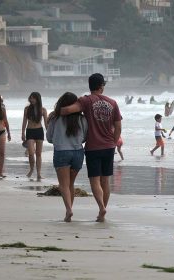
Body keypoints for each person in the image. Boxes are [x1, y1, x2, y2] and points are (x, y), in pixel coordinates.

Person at [60, 73, 122, 222]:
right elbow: (118, 126)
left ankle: (101, 207)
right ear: (101, 86)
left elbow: (67, 111)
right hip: (109, 146)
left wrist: (57, 112)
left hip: (93, 146)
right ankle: (102, 211)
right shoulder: (112, 103)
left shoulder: (86, 101)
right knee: (105, 181)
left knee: (95, 180)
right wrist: (113, 142)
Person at [46, 92, 87, 222]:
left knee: (63, 185)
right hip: (78, 152)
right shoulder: (82, 119)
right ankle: (69, 209)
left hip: (61, 152)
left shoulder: (55, 119)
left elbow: (49, 138)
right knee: (71, 184)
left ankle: (69, 210)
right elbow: (85, 137)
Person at [21, 92, 48, 180]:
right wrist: (22, 133)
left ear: (38, 99)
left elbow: (46, 124)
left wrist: (50, 133)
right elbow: (24, 121)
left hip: (39, 131)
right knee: (31, 153)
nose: (32, 100)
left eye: (34, 98)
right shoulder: (27, 109)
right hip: (30, 131)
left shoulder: (43, 110)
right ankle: (31, 169)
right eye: (31, 98)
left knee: (39, 154)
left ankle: (39, 173)